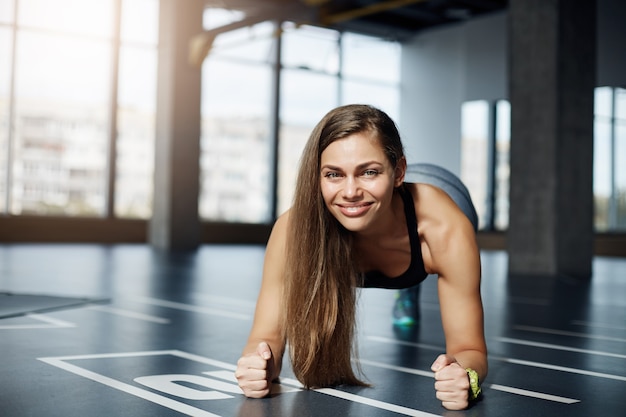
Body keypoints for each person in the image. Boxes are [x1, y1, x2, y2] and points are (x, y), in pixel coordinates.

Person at [235, 104, 487, 411]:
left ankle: (409, 286)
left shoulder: (443, 227)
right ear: (317, 177)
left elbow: (469, 347)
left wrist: (466, 377)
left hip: (443, 192)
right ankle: (407, 286)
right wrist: (258, 366)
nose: (351, 191)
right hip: (386, 207)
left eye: (369, 172)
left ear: (398, 172)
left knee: (427, 267)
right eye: (334, 174)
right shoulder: (292, 231)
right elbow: (263, 339)